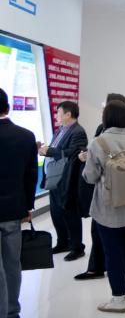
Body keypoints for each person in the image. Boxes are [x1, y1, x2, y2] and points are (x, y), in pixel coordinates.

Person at [82, 101, 125, 313]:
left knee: (112, 253)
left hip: (108, 208)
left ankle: (118, 299)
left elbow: (90, 177)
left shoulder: (97, 143)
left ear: (106, 118)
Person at [76, 93, 125, 281]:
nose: (102, 109)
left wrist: (88, 160)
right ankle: (106, 267)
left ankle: (102, 270)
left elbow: (92, 173)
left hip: (105, 190)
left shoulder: (105, 135)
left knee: (102, 231)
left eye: (104, 106)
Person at [0, 88, 38, 318]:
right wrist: (27, 207)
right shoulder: (25, 136)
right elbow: (31, 175)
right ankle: (12, 311)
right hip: (13, 210)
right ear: (8, 107)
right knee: (12, 263)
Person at [39, 100, 88, 261]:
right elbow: (57, 150)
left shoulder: (78, 132)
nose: (56, 116)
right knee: (56, 213)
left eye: (58, 113)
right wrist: (45, 150)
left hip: (67, 179)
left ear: (68, 114)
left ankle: (77, 247)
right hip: (54, 179)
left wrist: (50, 151)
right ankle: (62, 242)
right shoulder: (60, 130)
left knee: (70, 213)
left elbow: (72, 153)